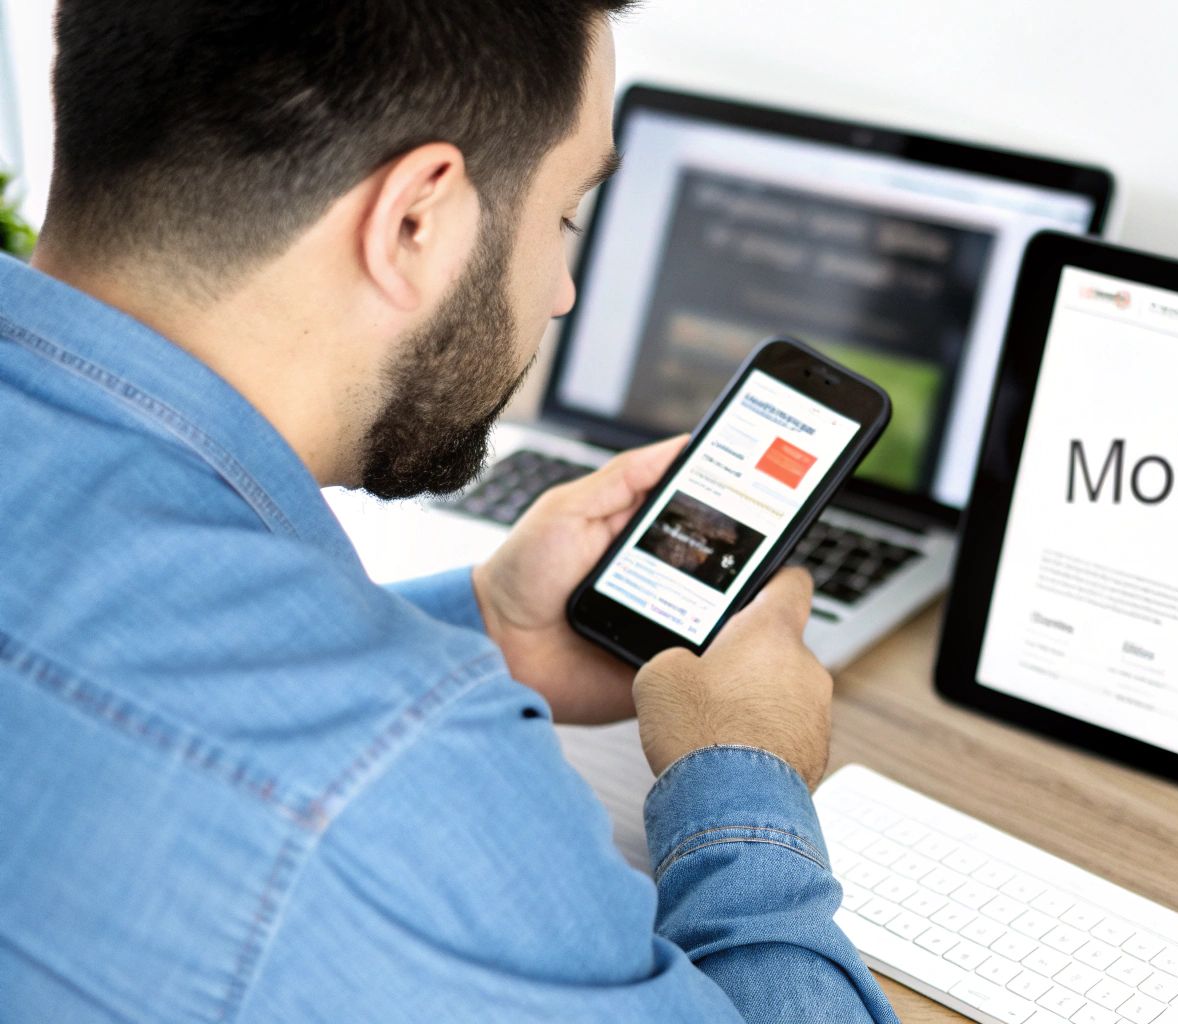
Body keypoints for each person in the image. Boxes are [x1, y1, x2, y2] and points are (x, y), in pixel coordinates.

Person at [0, 2, 898, 1021]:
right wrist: (742, 773)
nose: (559, 291)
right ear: (415, 218)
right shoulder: (399, 783)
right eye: (562, 216)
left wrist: (491, 623)